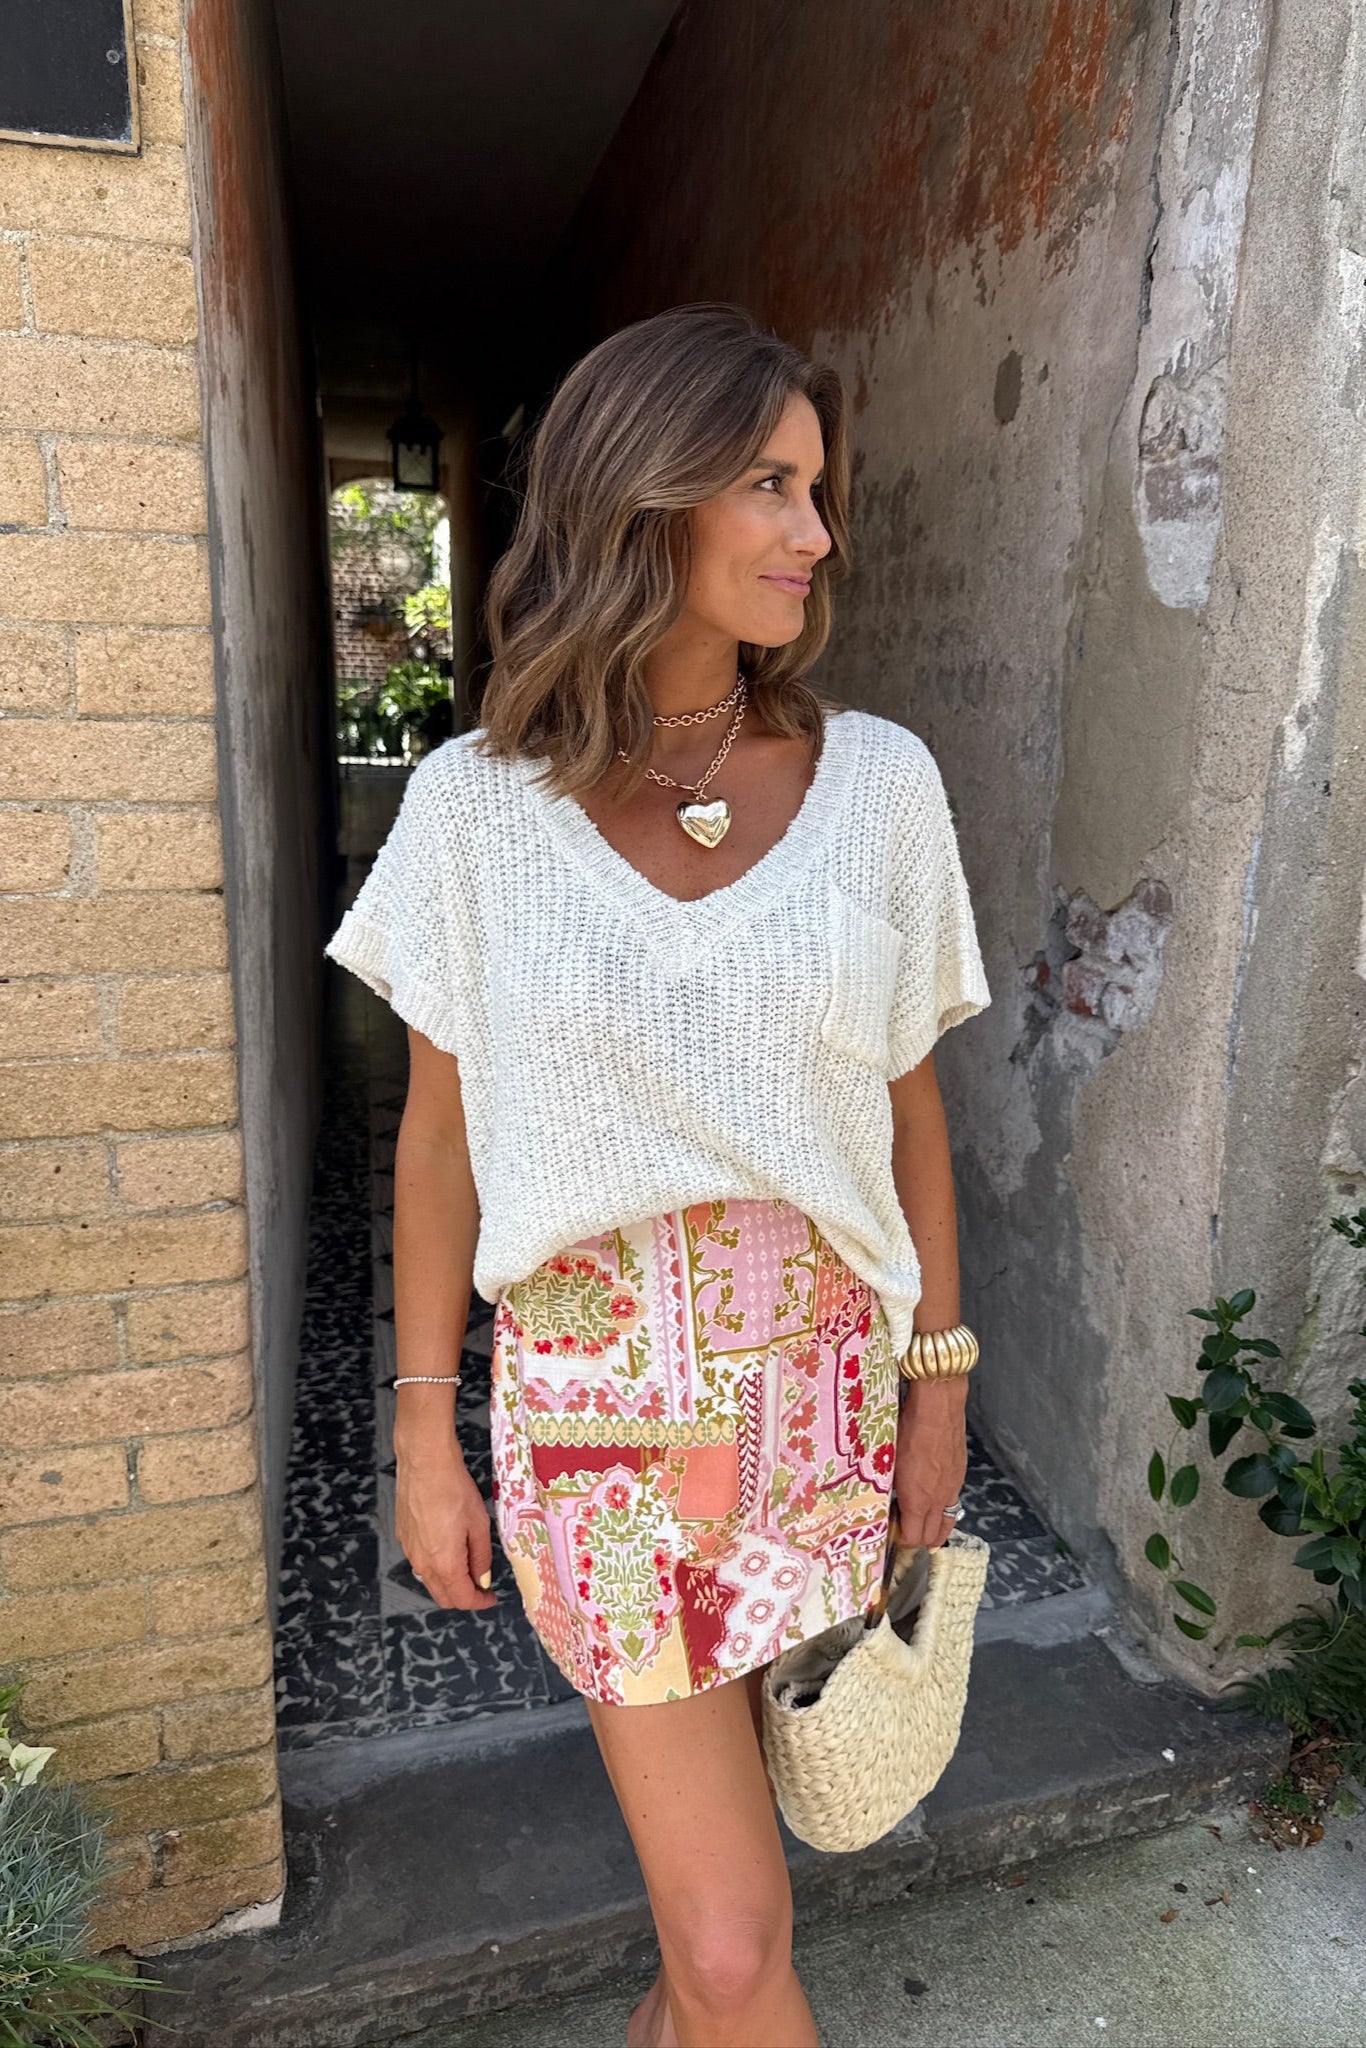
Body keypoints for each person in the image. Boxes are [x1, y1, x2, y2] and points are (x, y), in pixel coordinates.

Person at [325, 301, 991, 2048]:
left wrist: (936, 1390)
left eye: (816, 489)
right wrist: (421, 1434)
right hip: (602, 1428)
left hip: (824, 1398)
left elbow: (911, 1115)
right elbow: (438, 1142)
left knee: (730, 1921)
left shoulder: (880, 786)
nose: (814, 533)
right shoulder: (476, 810)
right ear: (645, 496)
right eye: (769, 485)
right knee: (730, 1941)